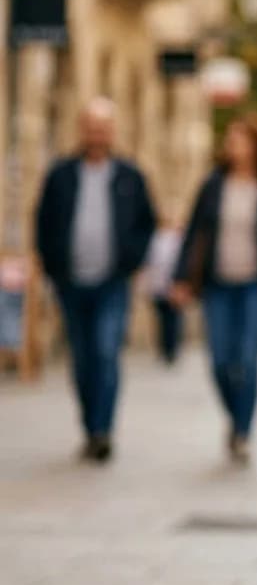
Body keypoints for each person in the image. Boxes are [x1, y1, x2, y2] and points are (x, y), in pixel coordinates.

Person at [172, 114, 257, 463]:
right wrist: (182, 279)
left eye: (241, 140)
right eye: (230, 141)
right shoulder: (213, 186)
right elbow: (194, 234)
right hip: (218, 285)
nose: (233, 147)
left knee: (247, 358)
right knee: (218, 361)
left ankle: (243, 430)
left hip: (256, 286)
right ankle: (234, 416)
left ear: (256, 147)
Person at [35, 97, 155, 462]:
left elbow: (146, 223)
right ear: (81, 130)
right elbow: (43, 221)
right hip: (70, 281)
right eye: (90, 126)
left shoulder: (130, 176)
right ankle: (90, 425)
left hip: (112, 281)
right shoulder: (61, 174)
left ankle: (103, 429)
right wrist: (52, 264)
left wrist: (131, 259)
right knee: (83, 357)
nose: (96, 133)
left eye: (103, 126)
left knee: (106, 351)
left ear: (112, 131)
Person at [143, 216, 184, 364]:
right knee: (162, 321)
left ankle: (172, 350)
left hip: (172, 286)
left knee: (173, 321)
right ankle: (164, 350)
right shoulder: (155, 238)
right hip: (157, 286)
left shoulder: (176, 239)